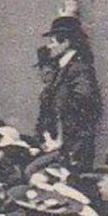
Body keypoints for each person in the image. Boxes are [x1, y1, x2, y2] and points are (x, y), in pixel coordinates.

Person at [40, 15, 102, 170]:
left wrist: (61, 140)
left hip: (73, 147)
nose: (49, 46)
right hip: (63, 144)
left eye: (53, 41)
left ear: (66, 42)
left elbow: (82, 105)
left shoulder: (79, 69)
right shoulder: (63, 68)